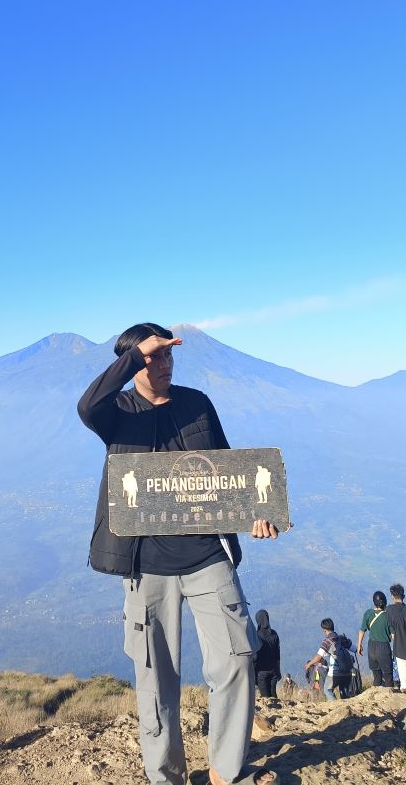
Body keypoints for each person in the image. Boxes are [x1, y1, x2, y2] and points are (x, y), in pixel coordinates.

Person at [78, 324, 279, 785]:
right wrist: (135, 357)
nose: (165, 366)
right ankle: (165, 777)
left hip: (209, 555)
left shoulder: (197, 404)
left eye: (169, 357)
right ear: (133, 364)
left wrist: (254, 513)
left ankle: (225, 772)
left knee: (236, 658)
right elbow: (86, 406)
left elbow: (230, 469)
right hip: (145, 565)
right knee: (156, 681)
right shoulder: (116, 413)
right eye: (155, 358)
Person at [304, 619, 354, 701]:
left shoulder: (327, 641)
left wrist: (309, 664)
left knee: (327, 690)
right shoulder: (342, 638)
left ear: (324, 630)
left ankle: (335, 707)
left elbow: (319, 656)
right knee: (344, 693)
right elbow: (355, 649)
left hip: (335, 672)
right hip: (348, 671)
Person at [356, 590, 394, 688]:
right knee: (388, 676)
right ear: (385, 602)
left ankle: (375, 696)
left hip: (371, 647)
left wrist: (359, 645)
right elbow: (394, 635)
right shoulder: (388, 616)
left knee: (377, 676)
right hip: (384, 647)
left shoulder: (368, 613)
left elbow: (362, 630)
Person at [253, 610, 281, 698]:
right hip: (274, 671)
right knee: (274, 696)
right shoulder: (274, 634)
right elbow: (277, 654)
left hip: (261, 672)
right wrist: (278, 671)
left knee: (265, 698)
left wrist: (253, 672)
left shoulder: (256, 635)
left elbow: (255, 656)